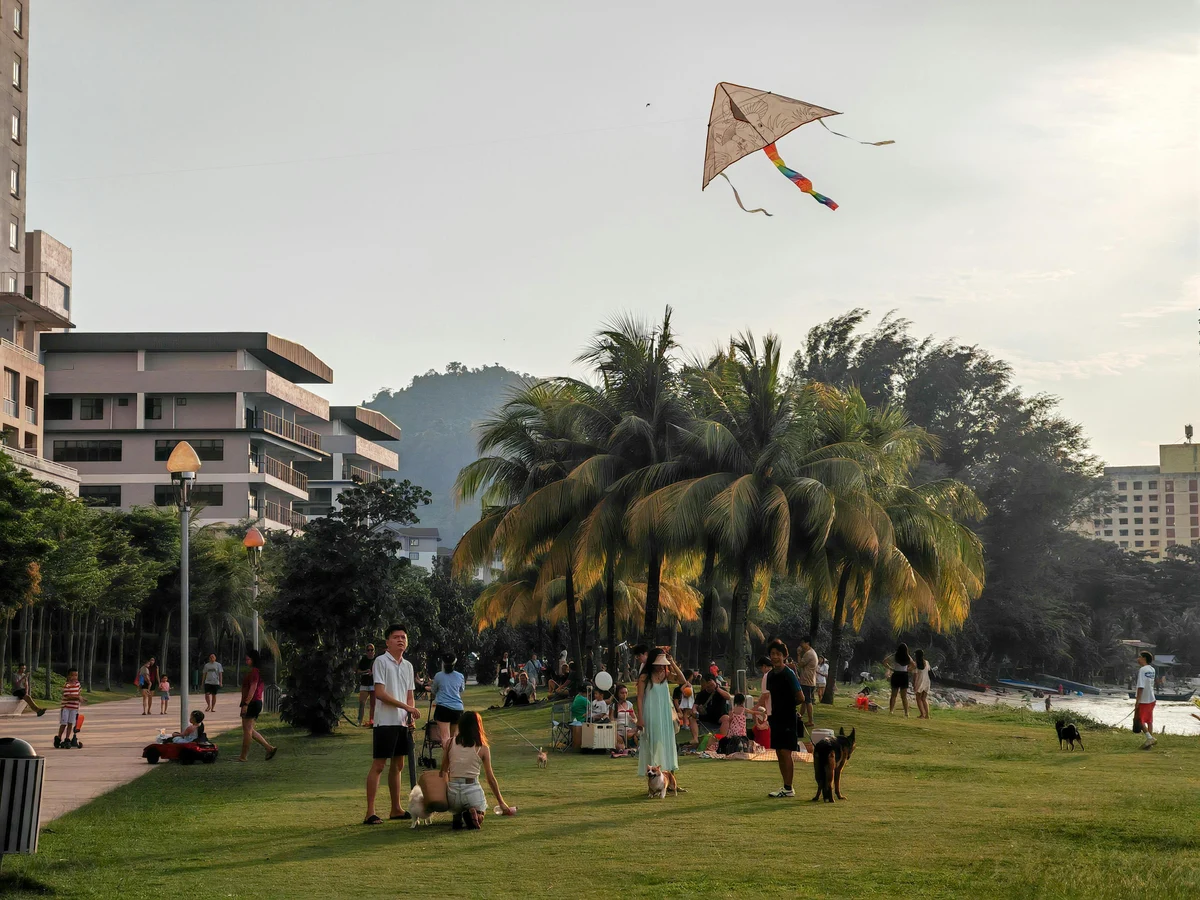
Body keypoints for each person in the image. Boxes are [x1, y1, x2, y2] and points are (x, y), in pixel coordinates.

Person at [364, 624, 420, 824]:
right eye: (396, 637)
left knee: (398, 765)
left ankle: (396, 808)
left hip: (402, 722)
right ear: (387, 642)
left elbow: (410, 695)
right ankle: (370, 812)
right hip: (385, 722)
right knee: (379, 764)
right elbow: (380, 693)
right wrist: (407, 707)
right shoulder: (381, 662)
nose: (400, 640)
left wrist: (410, 713)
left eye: (403, 637)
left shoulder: (408, 665)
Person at [439, 710, 514, 829]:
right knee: (482, 807)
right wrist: (501, 803)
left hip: (452, 792)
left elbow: (443, 770)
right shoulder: (483, 748)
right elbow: (491, 779)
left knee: (456, 808)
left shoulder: (449, 743)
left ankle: (457, 816)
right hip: (471, 790)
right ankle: (477, 815)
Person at [759, 640, 812, 798]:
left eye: (778, 654)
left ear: (784, 656)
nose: (775, 657)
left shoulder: (788, 673)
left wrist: (788, 707)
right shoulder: (770, 676)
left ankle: (789, 788)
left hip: (788, 718)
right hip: (775, 718)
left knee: (786, 751)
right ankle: (785, 787)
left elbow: (801, 697)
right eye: (772, 654)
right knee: (778, 752)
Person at [636, 649, 686, 795]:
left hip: (664, 714)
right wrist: (640, 717)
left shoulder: (666, 674)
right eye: (657, 664)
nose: (659, 666)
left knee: (667, 744)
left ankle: (670, 783)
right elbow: (639, 697)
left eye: (661, 664)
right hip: (651, 713)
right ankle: (652, 786)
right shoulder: (645, 677)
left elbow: (682, 680)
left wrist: (672, 663)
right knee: (653, 745)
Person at [237, 648, 278, 762]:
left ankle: (243, 756)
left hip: (253, 702)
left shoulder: (255, 671)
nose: (246, 662)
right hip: (253, 702)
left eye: (248, 659)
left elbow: (253, 688)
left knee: (247, 730)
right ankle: (269, 748)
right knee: (248, 729)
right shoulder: (256, 671)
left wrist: (246, 704)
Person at [432, 652, 466, 747]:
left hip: (443, 708)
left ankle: (447, 759)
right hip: (457, 709)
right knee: (454, 737)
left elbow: (434, 690)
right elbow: (461, 689)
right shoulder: (460, 676)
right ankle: (454, 758)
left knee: (445, 736)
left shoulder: (438, 676)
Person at [54, 667, 85, 749]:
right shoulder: (66, 685)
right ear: (68, 676)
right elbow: (68, 697)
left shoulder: (78, 684)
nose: (74, 677)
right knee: (64, 724)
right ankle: (58, 738)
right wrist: (78, 698)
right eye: (72, 675)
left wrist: (81, 698)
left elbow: (78, 694)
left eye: (76, 675)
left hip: (74, 708)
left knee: (70, 724)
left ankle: (67, 738)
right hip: (66, 707)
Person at [1134, 650, 1156, 750]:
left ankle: (1149, 738)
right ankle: (1149, 742)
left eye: (1139, 657)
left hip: (1144, 699)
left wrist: (1137, 701)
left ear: (1144, 658)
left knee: (1140, 719)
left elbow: (1141, 686)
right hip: (1152, 698)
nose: (1138, 659)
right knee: (1149, 720)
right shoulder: (1152, 669)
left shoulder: (1142, 670)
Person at [884, 643, 913, 716]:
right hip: (904, 675)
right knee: (904, 696)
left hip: (896, 674)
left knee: (893, 695)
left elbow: (884, 661)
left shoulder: (895, 655)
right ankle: (906, 713)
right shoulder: (907, 656)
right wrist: (908, 669)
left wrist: (890, 668)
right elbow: (914, 665)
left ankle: (891, 711)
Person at [673, 670, 699, 746]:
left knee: (689, 713)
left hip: (690, 701)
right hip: (686, 701)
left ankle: (688, 723)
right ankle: (685, 724)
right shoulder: (685, 684)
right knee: (685, 713)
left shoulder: (690, 684)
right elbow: (682, 690)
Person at [797, 636, 819, 727]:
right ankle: (799, 717)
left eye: (802, 643)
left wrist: (798, 654)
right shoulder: (812, 652)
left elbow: (800, 664)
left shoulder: (809, 654)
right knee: (804, 701)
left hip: (807, 681)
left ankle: (810, 720)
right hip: (810, 680)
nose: (801, 645)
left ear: (807, 643)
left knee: (808, 701)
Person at [356, 643, 376, 727]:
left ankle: (372, 721)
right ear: (366, 651)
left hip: (373, 684)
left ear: (374, 651)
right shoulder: (363, 660)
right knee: (362, 703)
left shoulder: (377, 660)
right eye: (368, 650)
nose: (370, 652)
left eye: (371, 650)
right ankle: (359, 721)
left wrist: (373, 672)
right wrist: (365, 671)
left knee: (373, 704)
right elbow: (358, 671)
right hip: (364, 683)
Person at [612, 684, 638, 751]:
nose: (624, 695)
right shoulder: (614, 705)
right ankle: (628, 748)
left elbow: (635, 717)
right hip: (617, 730)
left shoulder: (629, 704)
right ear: (617, 693)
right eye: (622, 693)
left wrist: (634, 720)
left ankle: (636, 747)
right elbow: (611, 720)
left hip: (627, 729)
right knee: (621, 748)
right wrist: (615, 733)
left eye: (626, 693)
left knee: (639, 730)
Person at [912, 649, 931, 719]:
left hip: (919, 681)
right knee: (924, 699)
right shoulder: (926, 662)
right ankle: (927, 715)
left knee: (918, 698)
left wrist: (914, 684)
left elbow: (915, 675)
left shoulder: (916, 663)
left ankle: (922, 714)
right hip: (926, 681)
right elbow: (928, 670)